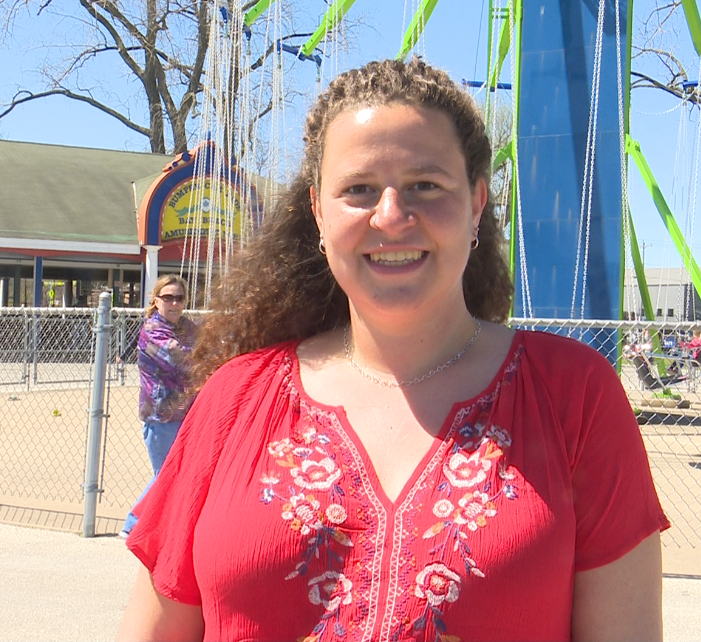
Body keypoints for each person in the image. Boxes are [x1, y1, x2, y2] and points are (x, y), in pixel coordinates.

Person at [116, 59, 669, 642]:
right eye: (358, 190)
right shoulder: (236, 397)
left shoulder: (572, 393)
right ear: (318, 213)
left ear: (477, 203)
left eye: (425, 186)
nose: (391, 216)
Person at [119, 275, 198, 538]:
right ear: (156, 300)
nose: (174, 303)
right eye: (168, 297)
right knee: (166, 475)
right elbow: (181, 361)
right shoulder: (153, 331)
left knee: (178, 474)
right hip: (162, 417)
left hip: (187, 415)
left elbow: (211, 347)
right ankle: (133, 524)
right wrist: (206, 356)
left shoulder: (187, 326)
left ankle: (162, 528)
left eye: (179, 298)